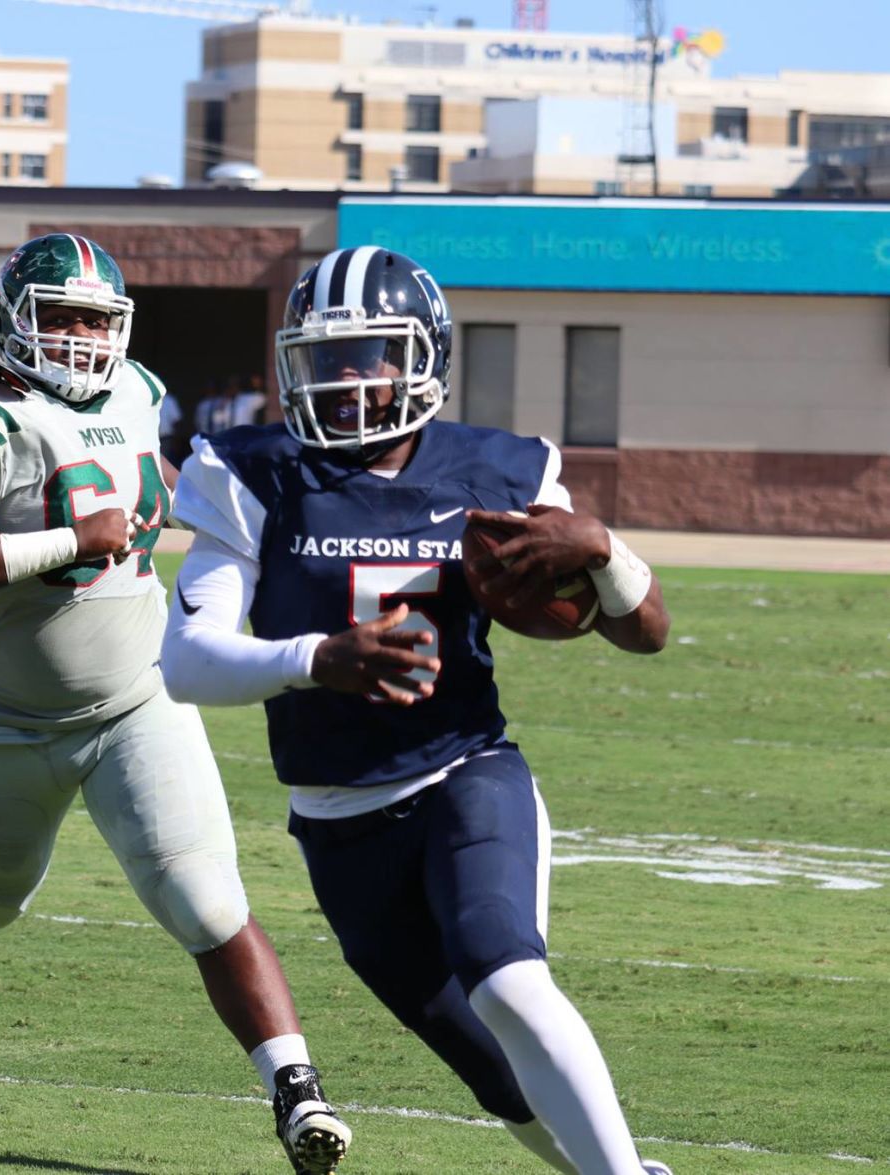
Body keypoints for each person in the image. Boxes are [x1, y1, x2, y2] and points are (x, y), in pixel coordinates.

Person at [160, 245, 675, 1175]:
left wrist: (601, 549)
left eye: (372, 355)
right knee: (487, 1067)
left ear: (425, 358)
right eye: (328, 358)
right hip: (338, 817)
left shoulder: (497, 468)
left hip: (462, 770)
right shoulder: (254, 473)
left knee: (507, 976)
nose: (349, 380)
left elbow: (644, 632)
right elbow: (187, 661)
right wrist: (318, 658)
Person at [0, 233, 352, 1174]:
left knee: (203, 892)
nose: (78, 338)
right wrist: (69, 539)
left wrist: (218, 521)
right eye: (59, 317)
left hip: (140, 696)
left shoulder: (136, 390)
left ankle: (295, 1089)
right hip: (3, 718)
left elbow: (148, 485)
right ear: (16, 320)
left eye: (95, 320)